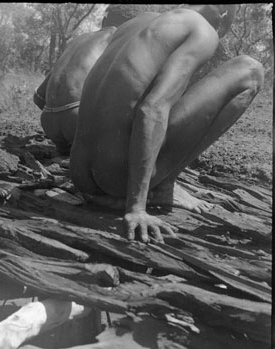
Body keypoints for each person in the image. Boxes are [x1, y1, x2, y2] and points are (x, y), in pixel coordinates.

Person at [70, 5, 264, 243]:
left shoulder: (139, 22)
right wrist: (136, 209)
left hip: (80, 175)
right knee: (250, 69)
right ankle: (161, 187)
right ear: (223, 15)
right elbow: (152, 109)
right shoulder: (202, 29)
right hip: (114, 181)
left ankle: (162, 183)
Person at [33, 17, 128, 154]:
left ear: (104, 19)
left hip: (48, 120)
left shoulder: (78, 40)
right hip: (77, 120)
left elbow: (38, 97)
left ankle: (65, 148)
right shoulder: (116, 38)